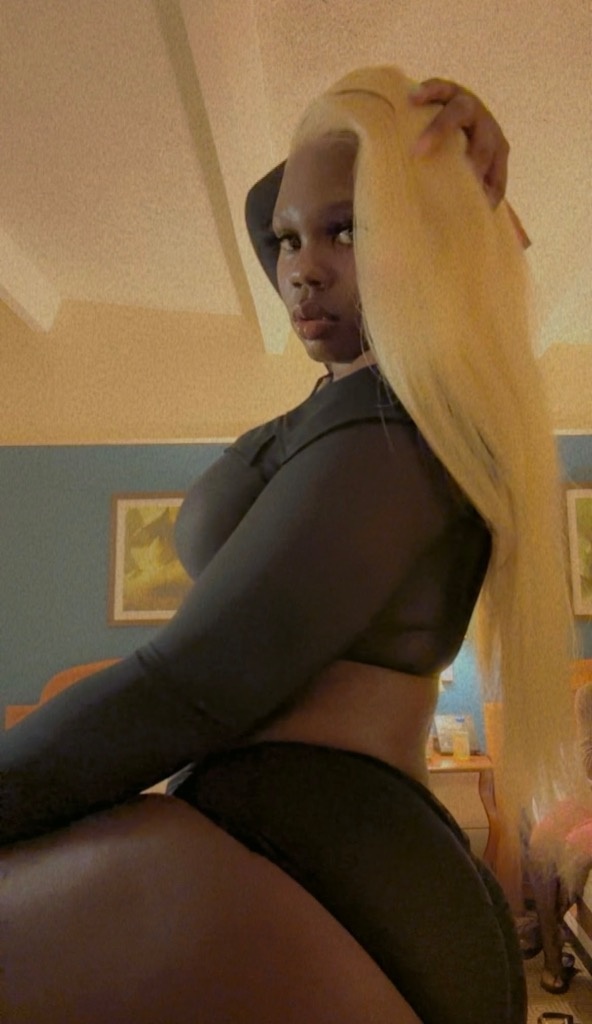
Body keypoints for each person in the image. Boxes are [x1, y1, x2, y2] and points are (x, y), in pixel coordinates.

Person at [0, 66, 586, 1024]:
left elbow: (188, 684)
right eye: (291, 240)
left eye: (348, 230)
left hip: (323, 853)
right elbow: (263, 205)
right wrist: (411, 159)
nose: (301, 268)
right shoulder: (362, 396)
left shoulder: (400, 425)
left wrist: (438, 190)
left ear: (419, 243)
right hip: (308, 846)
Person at [526, 681, 592, 994]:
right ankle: (552, 953)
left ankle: (550, 928)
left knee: (577, 851)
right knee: (541, 842)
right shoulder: (588, 695)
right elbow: (588, 763)